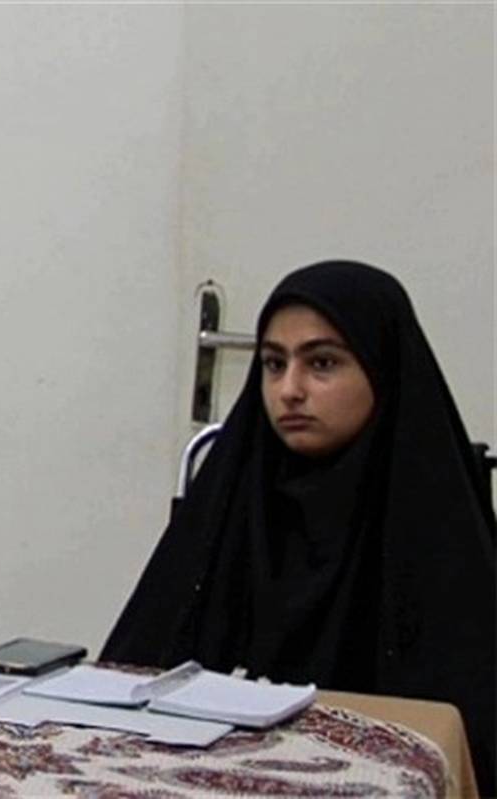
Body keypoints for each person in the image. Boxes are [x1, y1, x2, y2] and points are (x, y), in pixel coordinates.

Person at [100, 260, 495, 794]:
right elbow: (133, 676)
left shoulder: (429, 516)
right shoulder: (234, 494)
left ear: (382, 368)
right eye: (273, 363)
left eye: (322, 363)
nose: (289, 389)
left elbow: (466, 733)